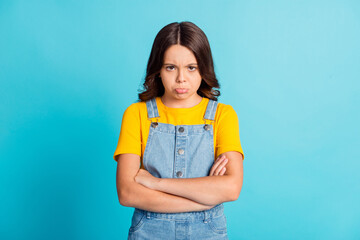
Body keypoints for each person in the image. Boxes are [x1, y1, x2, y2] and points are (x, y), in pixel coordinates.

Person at [114, 21, 244, 240]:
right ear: (158, 70)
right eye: (170, 67)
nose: (181, 78)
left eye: (191, 67)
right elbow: (127, 193)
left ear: (204, 68)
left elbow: (231, 188)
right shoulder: (136, 114)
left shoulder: (223, 115)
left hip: (208, 232)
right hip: (148, 232)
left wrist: (157, 183)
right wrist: (205, 197)